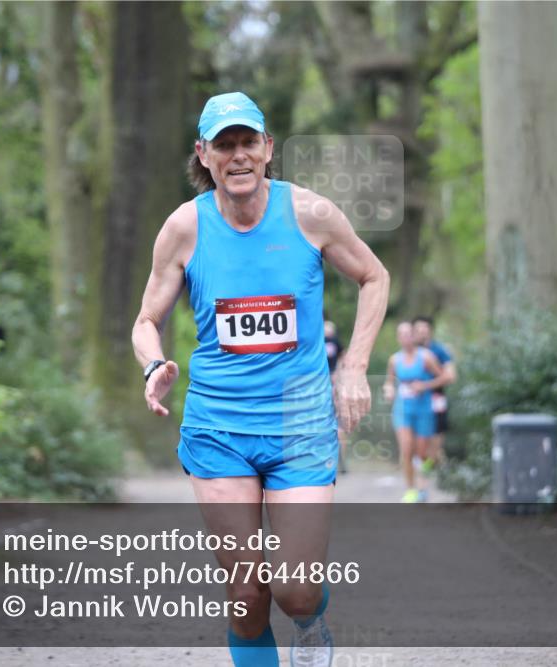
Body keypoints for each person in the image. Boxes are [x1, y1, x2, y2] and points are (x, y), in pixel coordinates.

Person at [131, 91, 389, 667]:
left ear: (269, 149)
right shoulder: (183, 228)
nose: (239, 155)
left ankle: (311, 618)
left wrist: (352, 366)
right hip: (218, 427)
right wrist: (154, 365)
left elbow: (374, 276)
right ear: (203, 155)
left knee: (294, 589)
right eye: (225, 145)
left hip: (298, 424)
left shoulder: (310, 215)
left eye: (249, 142)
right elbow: (147, 320)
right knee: (247, 593)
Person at [383, 321, 442, 503]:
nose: (406, 337)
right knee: (407, 450)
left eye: (409, 333)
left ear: (414, 336)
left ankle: (423, 484)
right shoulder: (394, 360)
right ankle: (411, 490)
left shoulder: (426, 357)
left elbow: (443, 377)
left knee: (422, 453)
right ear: (398, 338)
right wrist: (389, 390)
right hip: (403, 409)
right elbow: (389, 382)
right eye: (402, 334)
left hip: (423, 409)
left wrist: (425, 385)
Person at [412, 316, 456, 470]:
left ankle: (430, 466)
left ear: (430, 332)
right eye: (418, 330)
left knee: (436, 437)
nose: (422, 333)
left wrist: (425, 386)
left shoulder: (439, 351)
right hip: (412, 402)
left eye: (425, 330)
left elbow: (450, 376)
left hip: (435, 399)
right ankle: (423, 467)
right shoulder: (407, 352)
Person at [323, 320, 349, 473]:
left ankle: (341, 461)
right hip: (319, 386)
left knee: (339, 427)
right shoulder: (317, 343)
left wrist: (338, 373)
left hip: (334, 387)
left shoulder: (336, 344)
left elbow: (343, 357)